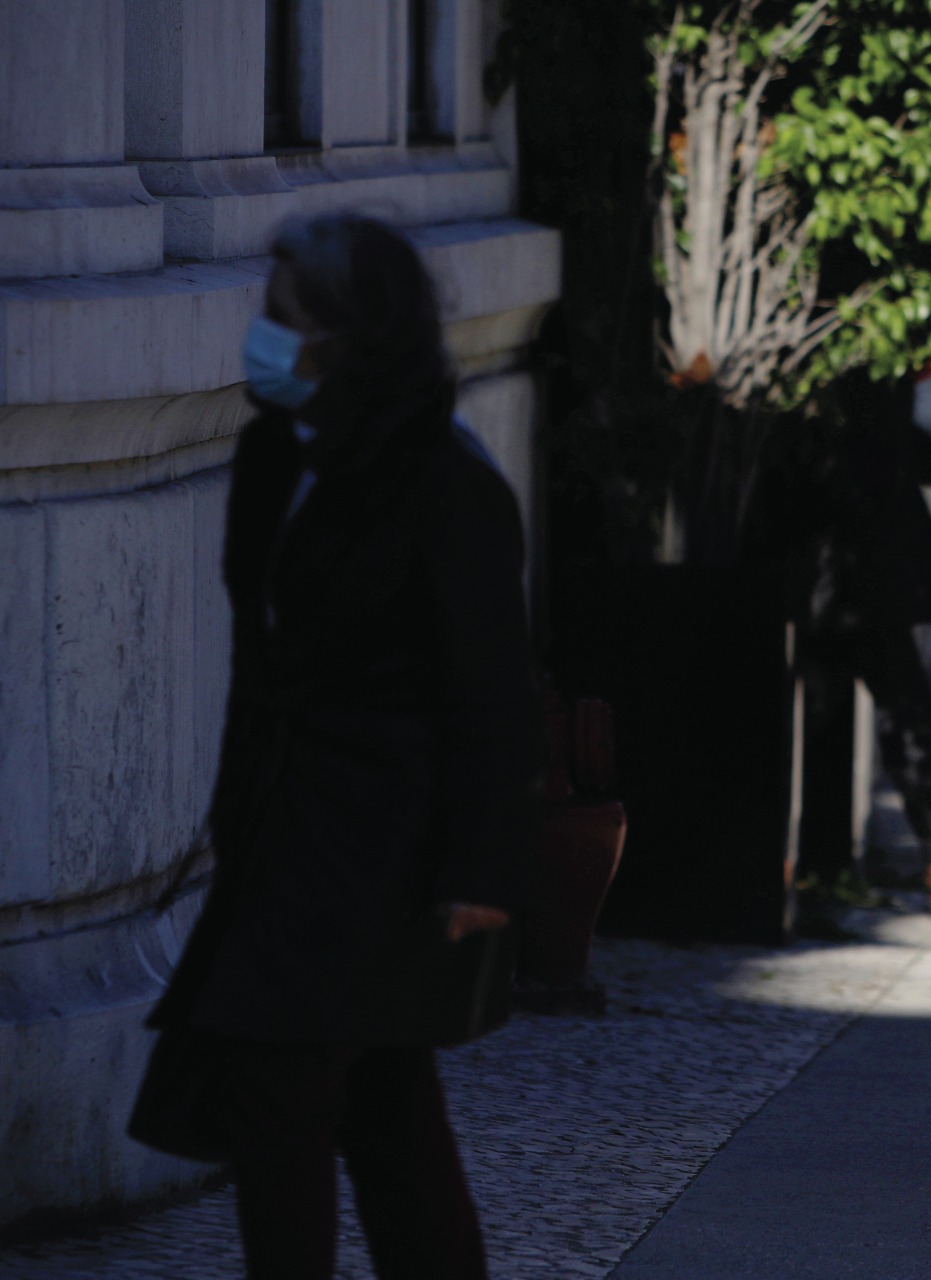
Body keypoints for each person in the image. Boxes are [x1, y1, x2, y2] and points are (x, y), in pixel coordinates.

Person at [131, 214, 538, 1279]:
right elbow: (262, 659)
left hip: (384, 846)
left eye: (286, 317)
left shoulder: (443, 479)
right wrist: (234, 816)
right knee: (380, 1100)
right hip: (288, 831)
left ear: (354, 334)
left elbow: (491, 687)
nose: (263, 336)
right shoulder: (276, 452)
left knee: (286, 1084)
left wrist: (478, 867)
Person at [789, 367, 931, 922]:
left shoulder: (873, 348)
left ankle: (845, 868)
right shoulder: (851, 339)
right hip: (836, 555)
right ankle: (927, 857)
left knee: (883, 704)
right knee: (874, 707)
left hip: (864, 556)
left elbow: (891, 436)